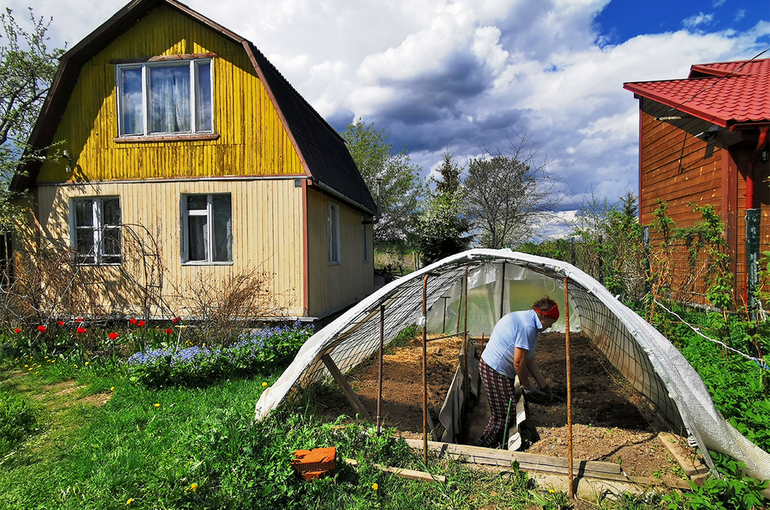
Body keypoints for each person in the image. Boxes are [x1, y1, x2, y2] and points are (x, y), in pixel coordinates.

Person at [477, 296, 559, 448]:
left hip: (498, 369)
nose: (551, 326)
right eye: (551, 322)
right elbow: (519, 362)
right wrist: (527, 386)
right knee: (505, 415)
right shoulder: (527, 327)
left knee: (504, 411)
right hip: (495, 369)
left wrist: (543, 386)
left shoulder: (529, 321)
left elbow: (528, 359)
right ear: (544, 316)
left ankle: (486, 440)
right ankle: (485, 447)